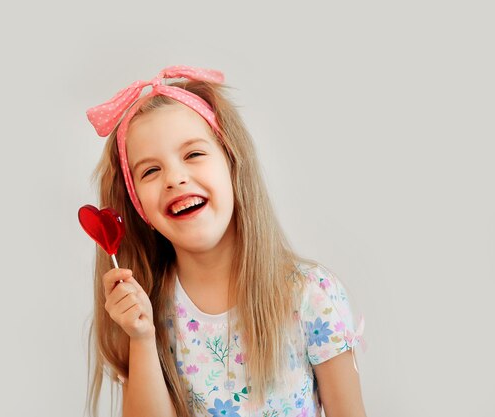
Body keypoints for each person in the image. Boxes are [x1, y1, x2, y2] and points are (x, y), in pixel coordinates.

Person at [83, 66, 366, 417]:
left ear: (233, 166)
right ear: (139, 207)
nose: (175, 178)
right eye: (150, 171)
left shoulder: (312, 294)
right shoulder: (149, 309)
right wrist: (141, 338)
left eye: (193, 154)